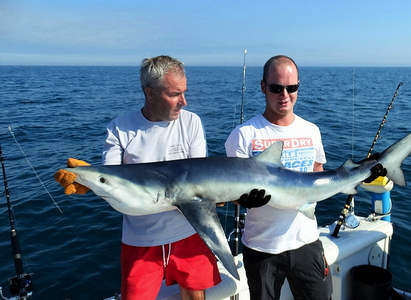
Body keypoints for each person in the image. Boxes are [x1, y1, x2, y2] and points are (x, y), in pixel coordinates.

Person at [55, 55, 269, 300]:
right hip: (141, 239)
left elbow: (200, 180)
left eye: (184, 92)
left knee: (194, 294)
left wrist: (222, 197)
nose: (184, 102)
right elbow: (112, 179)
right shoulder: (119, 129)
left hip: (189, 231)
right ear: (150, 93)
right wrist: (88, 183)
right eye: (175, 94)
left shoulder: (191, 123)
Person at [225, 55, 333, 300]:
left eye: (291, 88)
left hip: (307, 241)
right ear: (263, 87)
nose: (284, 95)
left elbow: (317, 172)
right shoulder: (243, 135)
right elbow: (232, 195)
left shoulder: (311, 131)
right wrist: (243, 201)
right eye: (276, 88)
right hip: (263, 248)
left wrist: (359, 174)